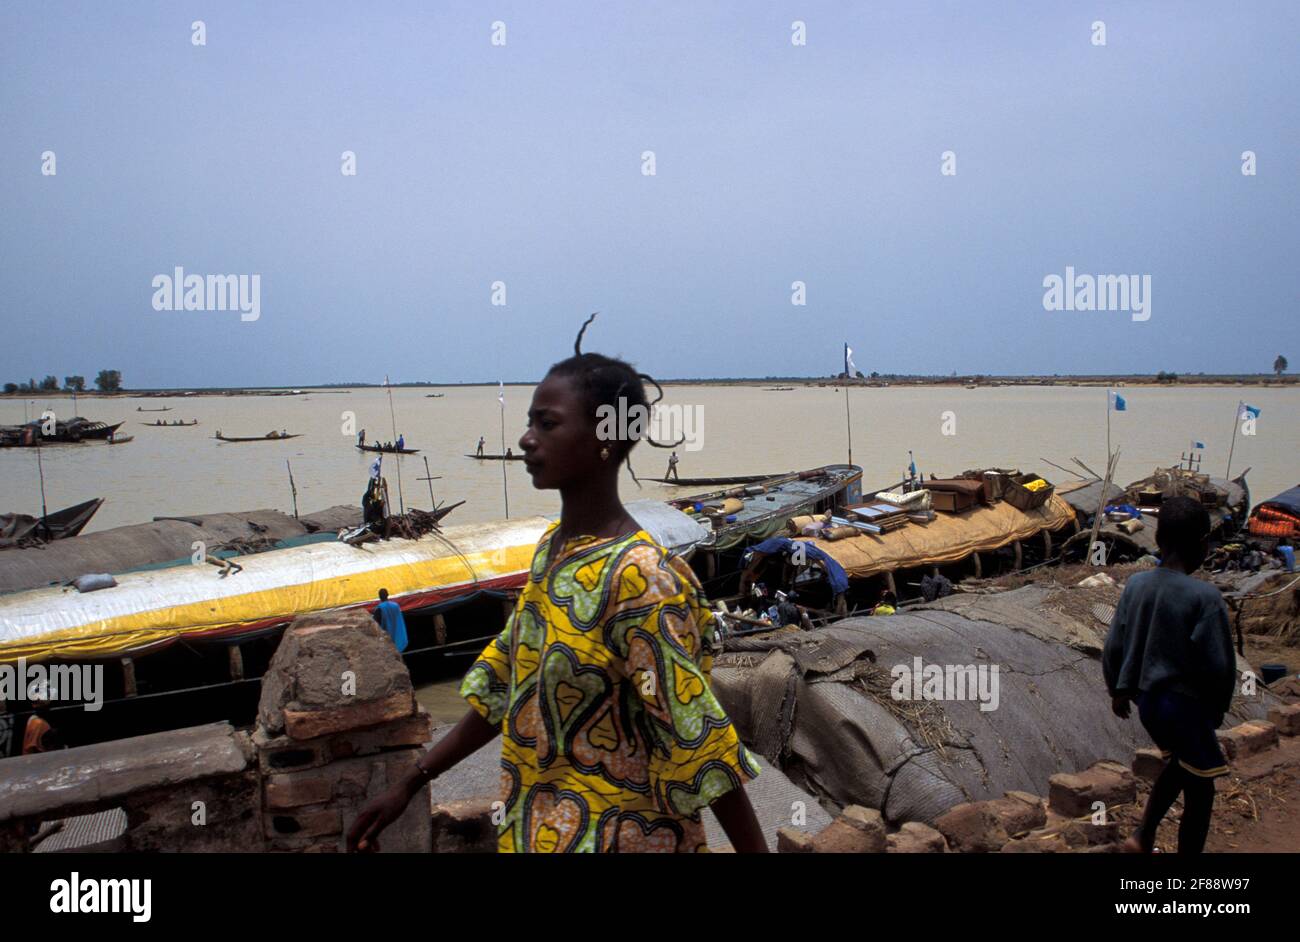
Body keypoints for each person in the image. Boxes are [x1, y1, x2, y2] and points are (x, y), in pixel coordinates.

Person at [348, 315, 765, 854]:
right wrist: (411, 781)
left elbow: (698, 740)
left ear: (604, 441)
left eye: (547, 424)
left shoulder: (640, 579)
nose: (525, 439)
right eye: (529, 422)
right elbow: (505, 683)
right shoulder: (553, 551)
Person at [1103, 496, 1236, 854]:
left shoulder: (1136, 585)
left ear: (1158, 540)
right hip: (1185, 706)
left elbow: (1114, 643)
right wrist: (1217, 708)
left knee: (1180, 766)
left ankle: (1142, 837)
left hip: (1149, 704)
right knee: (1202, 788)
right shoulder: (1205, 596)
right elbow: (1220, 664)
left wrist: (1118, 689)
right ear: (1202, 545)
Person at [372, 588, 408, 653]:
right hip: (400, 638)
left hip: (388, 641)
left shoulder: (379, 609)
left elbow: (375, 624)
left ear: (379, 597)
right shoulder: (396, 606)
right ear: (388, 595)